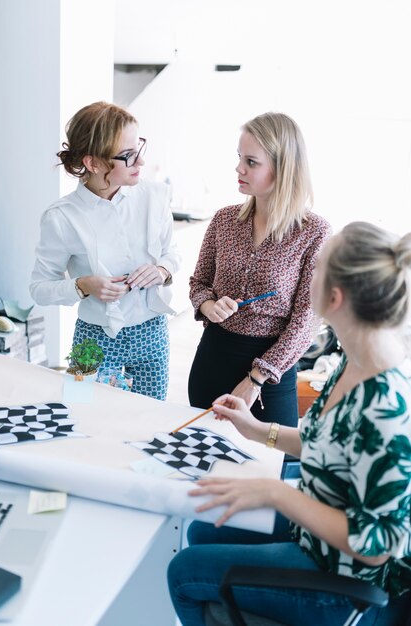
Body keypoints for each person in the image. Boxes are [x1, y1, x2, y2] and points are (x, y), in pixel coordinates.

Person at [168, 221, 411, 626]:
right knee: (201, 530)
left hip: (345, 584)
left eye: (317, 268)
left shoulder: (384, 407)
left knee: (184, 571)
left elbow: (378, 546)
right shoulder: (354, 358)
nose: (306, 273)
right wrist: (256, 429)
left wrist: (278, 495)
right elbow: (327, 445)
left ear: (334, 298)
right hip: (315, 532)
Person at [30, 101, 180, 400]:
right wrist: (83, 285)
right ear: (93, 163)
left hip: (152, 333)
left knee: (150, 419)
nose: (140, 162)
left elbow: (171, 255)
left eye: (139, 149)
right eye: (127, 156)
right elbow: (39, 289)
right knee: (79, 410)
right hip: (92, 338)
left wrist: (161, 271)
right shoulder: (61, 217)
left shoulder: (156, 196)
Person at [188, 111, 331, 425]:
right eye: (240, 158)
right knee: (200, 465)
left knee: (267, 466)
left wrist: (256, 378)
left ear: (283, 168)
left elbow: (306, 322)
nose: (239, 168)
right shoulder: (223, 220)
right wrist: (209, 306)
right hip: (212, 359)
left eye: (251, 162)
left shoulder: (314, 232)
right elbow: (198, 283)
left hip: (270, 380)